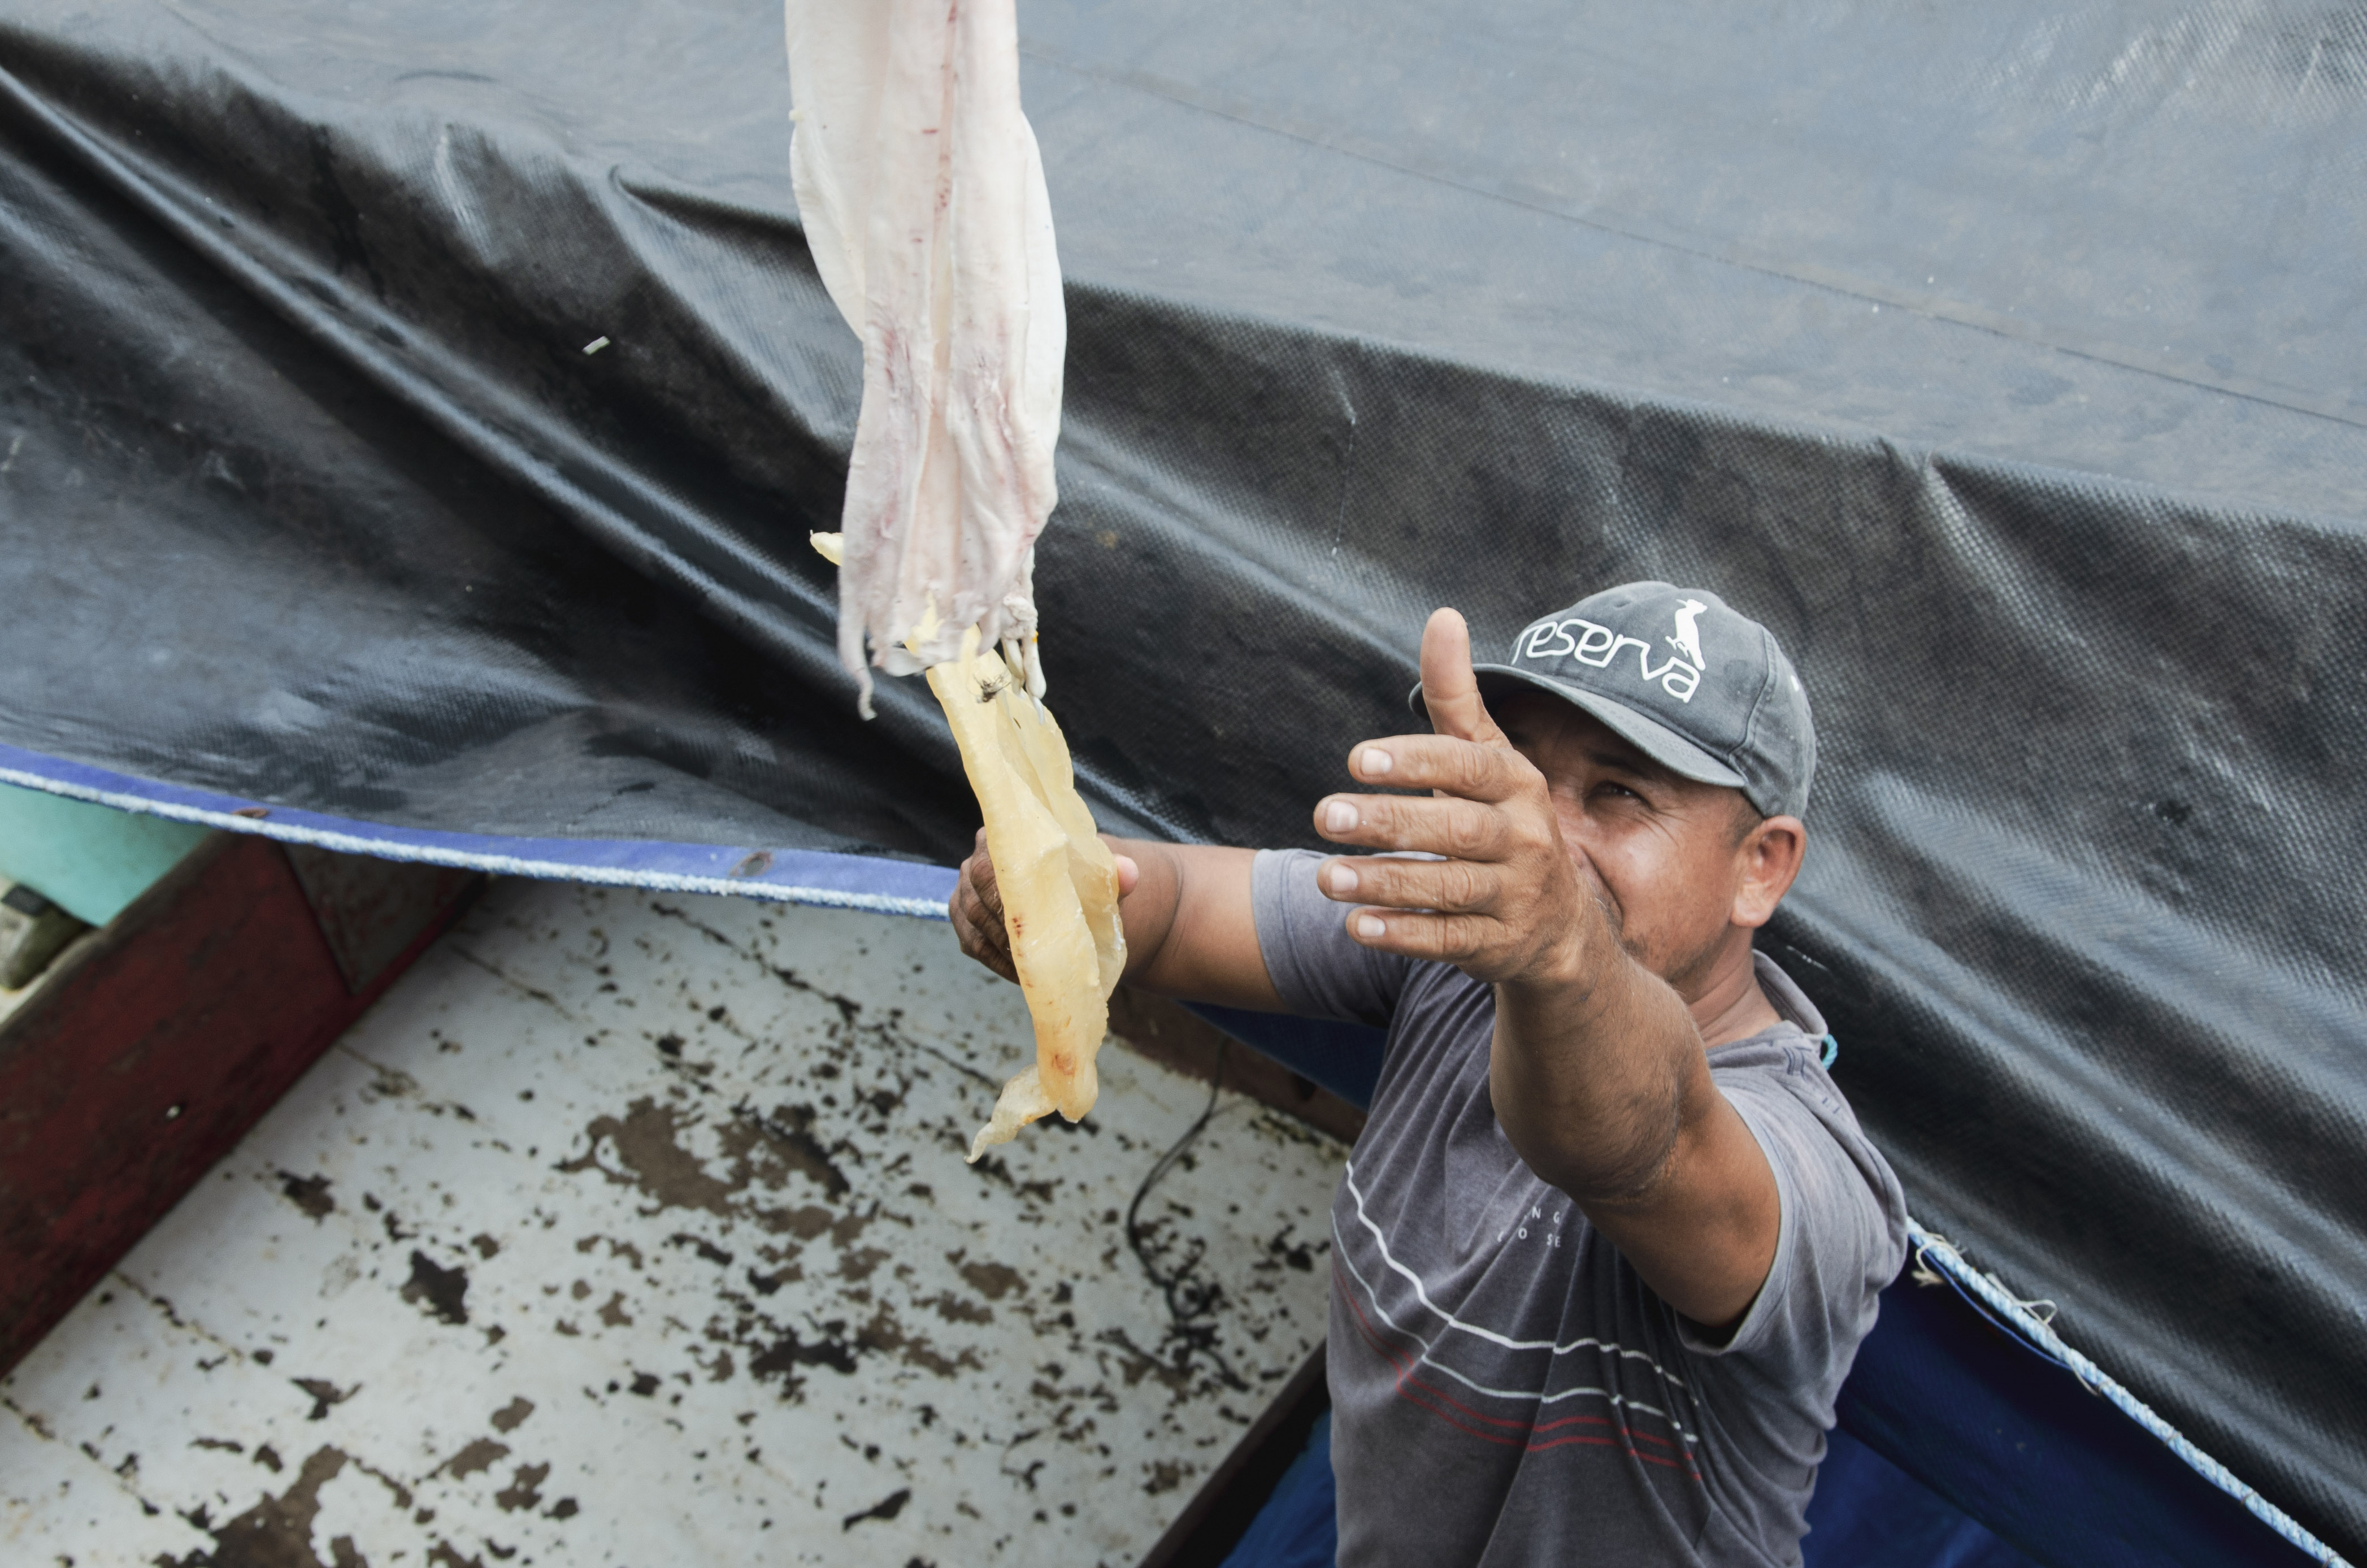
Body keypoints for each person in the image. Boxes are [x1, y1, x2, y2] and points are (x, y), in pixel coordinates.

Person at [951, 581, 1907, 1566]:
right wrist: (1058, 898)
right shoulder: (1452, 956)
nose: (1540, 836)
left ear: (1762, 865)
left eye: (1618, 794)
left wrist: (1556, 947)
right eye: (1520, 777)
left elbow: (1638, 1139)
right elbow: (1183, 904)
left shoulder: (1814, 1179)